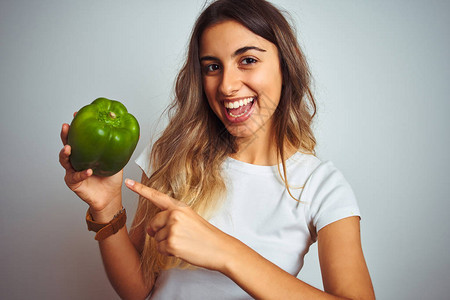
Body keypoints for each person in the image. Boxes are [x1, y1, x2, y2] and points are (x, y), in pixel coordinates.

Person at [59, 0, 375, 299]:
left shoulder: (321, 186)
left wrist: (223, 251)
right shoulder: (169, 155)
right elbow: (139, 291)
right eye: (212, 67)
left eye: (248, 60)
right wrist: (107, 208)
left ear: (286, 61)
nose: (226, 85)